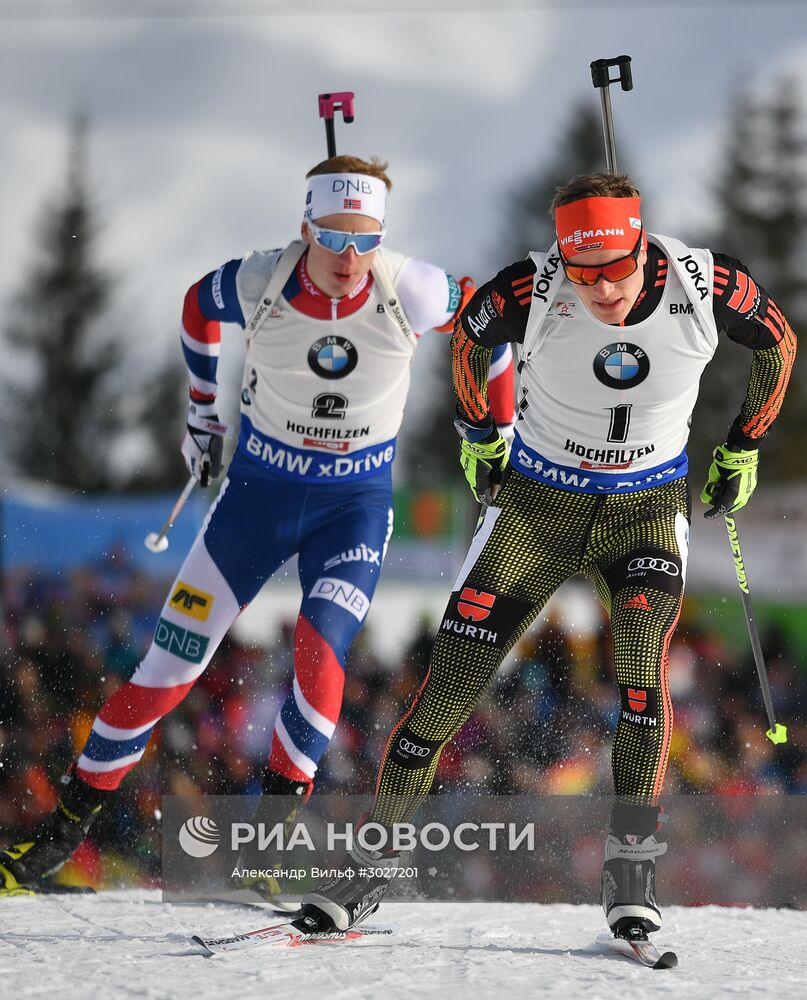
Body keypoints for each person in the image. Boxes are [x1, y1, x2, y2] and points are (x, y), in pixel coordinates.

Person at [297, 172, 797, 938]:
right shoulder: (535, 285)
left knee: (638, 664)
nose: (599, 290)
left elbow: (778, 342)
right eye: (583, 271)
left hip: (644, 510)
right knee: (445, 694)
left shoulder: (703, 280)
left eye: (615, 270)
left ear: (640, 243)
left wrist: (744, 446)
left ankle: (631, 872)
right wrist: (477, 432)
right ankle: (369, 868)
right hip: (536, 506)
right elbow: (468, 335)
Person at [0, 155, 515, 898]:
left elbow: (493, 325)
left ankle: (267, 852)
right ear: (305, 227)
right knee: (166, 674)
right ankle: (57, 837)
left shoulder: (409, 284)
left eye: (364, 240)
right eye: (332, 239)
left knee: (318, 650)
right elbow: (194, 306)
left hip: (352, 509)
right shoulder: (261, 279)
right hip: (255, 502)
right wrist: (202, 409)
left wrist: (489, 430)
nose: (349, 260)